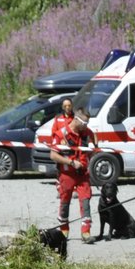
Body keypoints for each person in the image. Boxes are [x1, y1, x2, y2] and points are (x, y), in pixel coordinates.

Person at [51, 98, 95, 244]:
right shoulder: (61, 134)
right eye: (85, 123)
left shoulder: (87, 133)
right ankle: (64, 230)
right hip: (67, 174)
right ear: (77, 121)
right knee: (65, 202)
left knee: (86, 201)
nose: (87, 126)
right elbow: (53, 155)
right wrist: (70, 162)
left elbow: (93, 148)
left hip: (83, 174)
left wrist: (91, 152)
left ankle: (86, 232)